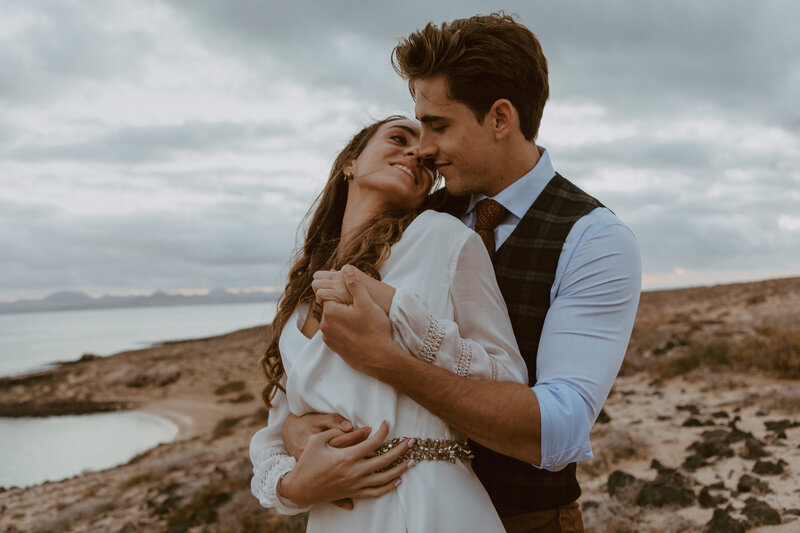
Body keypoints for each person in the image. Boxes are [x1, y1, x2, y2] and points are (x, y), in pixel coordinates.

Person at [273, 13, 642, 533]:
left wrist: (386, 359)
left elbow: (557, 431)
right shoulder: (410, 220)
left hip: (528, 520)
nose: (423, 147)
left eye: (438, 125)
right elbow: (310, 367)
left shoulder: (595, 239)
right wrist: (293, 430)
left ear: (499, 118)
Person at [249, 115, 528, 532]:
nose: (416, 153)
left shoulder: (442, 238)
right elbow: (275, 435)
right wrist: (295, 487)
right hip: (335, 518)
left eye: (429, 162)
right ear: (350, 162)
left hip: (428, 505)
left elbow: (507, 380)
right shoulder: (300, 298)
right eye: (399, 138)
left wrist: (396, 307)